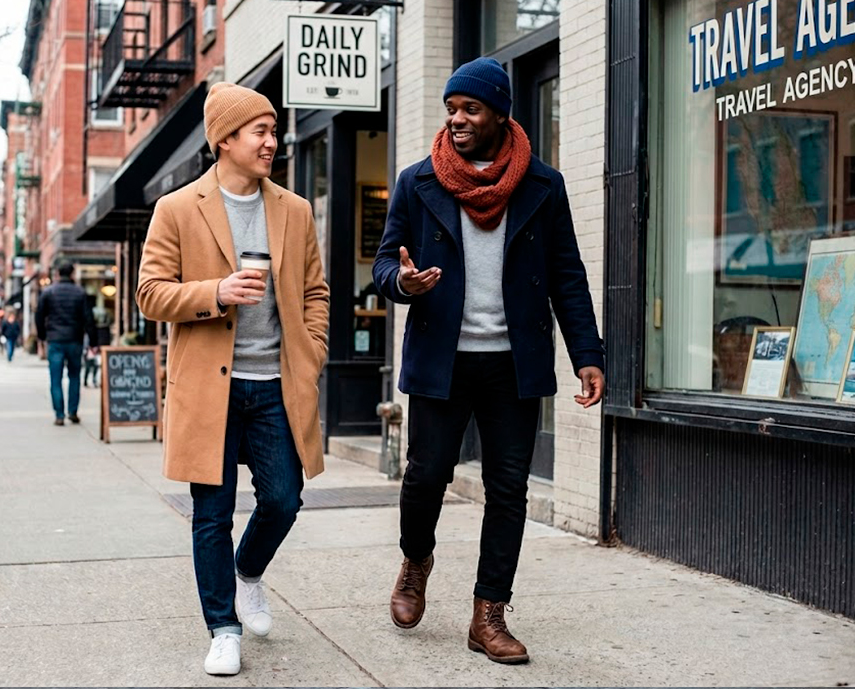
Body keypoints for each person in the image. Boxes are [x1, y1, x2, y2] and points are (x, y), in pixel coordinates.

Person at [373, 57, 606, 665]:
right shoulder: (417, 181)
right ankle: (415, 560)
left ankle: (489, 613)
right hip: (441, 360)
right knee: (426, 476)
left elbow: (567, 275)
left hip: (513, 363)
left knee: (508, 490)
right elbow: (383, 264)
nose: (456, 119)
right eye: (451, 108)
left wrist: (587, 353)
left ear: (500, 115)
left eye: (470, 109)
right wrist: (402, 283)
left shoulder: (543, 185)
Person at [136, 82, 329, 677]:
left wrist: (313, 353)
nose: (272, 141)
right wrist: (215, 292)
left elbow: (316, 292)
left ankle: (248, 573)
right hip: (209, 388)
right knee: (212, 514)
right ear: (225, 139)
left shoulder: (294, 210)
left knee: (283, 500)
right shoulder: (176, 208)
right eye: (260, 131)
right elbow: (150, 294)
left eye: (273, 130)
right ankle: (223, 628)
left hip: (276, 385)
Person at [35, 262, 98, 426]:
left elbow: (39, 315)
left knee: (55, 379)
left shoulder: (48, 292)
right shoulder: (80, 293)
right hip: (75, 339)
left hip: (55, 340)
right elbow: (88, 319)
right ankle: (73, 411)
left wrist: (42, 336)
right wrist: (93, 341)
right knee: (74, 376)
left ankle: (59, 415)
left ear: (57, 274)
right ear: (72, 274)